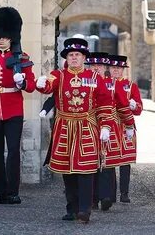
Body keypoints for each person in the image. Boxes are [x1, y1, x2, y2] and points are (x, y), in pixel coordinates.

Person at [35, 38, 114, 223]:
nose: (74, 58)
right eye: (71, 55)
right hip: (64, 127)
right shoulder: (59, 75)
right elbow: (49, 85)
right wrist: (40, 83)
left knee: (86, 170)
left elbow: (105, 103)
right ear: (67, 58)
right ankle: (72, 208)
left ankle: (85, 210)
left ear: (84, 57)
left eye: (77, 55)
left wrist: (105, 126)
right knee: (67, 171)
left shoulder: (95, 78)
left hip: (87, 127)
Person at [0, 7, 36, 205]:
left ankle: (13, 192)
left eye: (5, 36)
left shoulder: (22, 57)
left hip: (13, 110)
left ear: (12, 37)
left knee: (13, 151)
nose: (1, 39)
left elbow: (32, 84)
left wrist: (22, 82)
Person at [86, 52, 134, 211]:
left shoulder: (112, 83)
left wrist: (129, 124)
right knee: (90, 163)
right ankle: (92, 199)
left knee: (106, 163)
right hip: (86, 126)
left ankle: (106, 196)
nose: (96, 68)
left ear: (104, 68)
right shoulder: (83, 81)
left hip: (109, 126)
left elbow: (122, 104)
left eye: (99, 66)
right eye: (93, 66)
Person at [107, 54, 142, 203]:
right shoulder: (105, 83)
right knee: (109, 160)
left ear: (123, 70)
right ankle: (110, 193)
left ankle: (124, 193)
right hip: (110, 125)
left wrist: (134, 105)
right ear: (109, 68)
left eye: (119, 68)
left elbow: (139, 109)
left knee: (125, 161)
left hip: (126, 126)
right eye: (113, 68)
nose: (116, 71)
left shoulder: (131, 85)